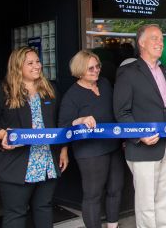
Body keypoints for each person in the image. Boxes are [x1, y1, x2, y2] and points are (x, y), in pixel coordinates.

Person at [0, 46, 68, 228]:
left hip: (47, 162)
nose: (37, 66)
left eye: (38, 61)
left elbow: (60, 124)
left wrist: (63, 151)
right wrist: (3, 135)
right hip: (15, 165)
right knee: (16, 214)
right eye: (30, 63)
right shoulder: (0, 91)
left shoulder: (50, 89)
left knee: (44, 207)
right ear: (17, 67)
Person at [113, 24, 166, 228]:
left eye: (161, 39)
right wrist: (140, 135)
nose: (160, 42)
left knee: (164, 197)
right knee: (146, 202)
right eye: (154, 38)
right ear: (141, 43)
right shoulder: (128, 72)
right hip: (142, 148)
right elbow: (121, 112)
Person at [58, 50, 124, 228]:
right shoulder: (72, 95)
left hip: (113, 146)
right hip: (90, 151)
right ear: (79, 71)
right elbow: (64, 126)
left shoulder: (104, 84)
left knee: (116, 189)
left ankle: (113, 226)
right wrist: (79, 121)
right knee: (93, 195)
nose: (96, 70)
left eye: (98, 66)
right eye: (90, 68)